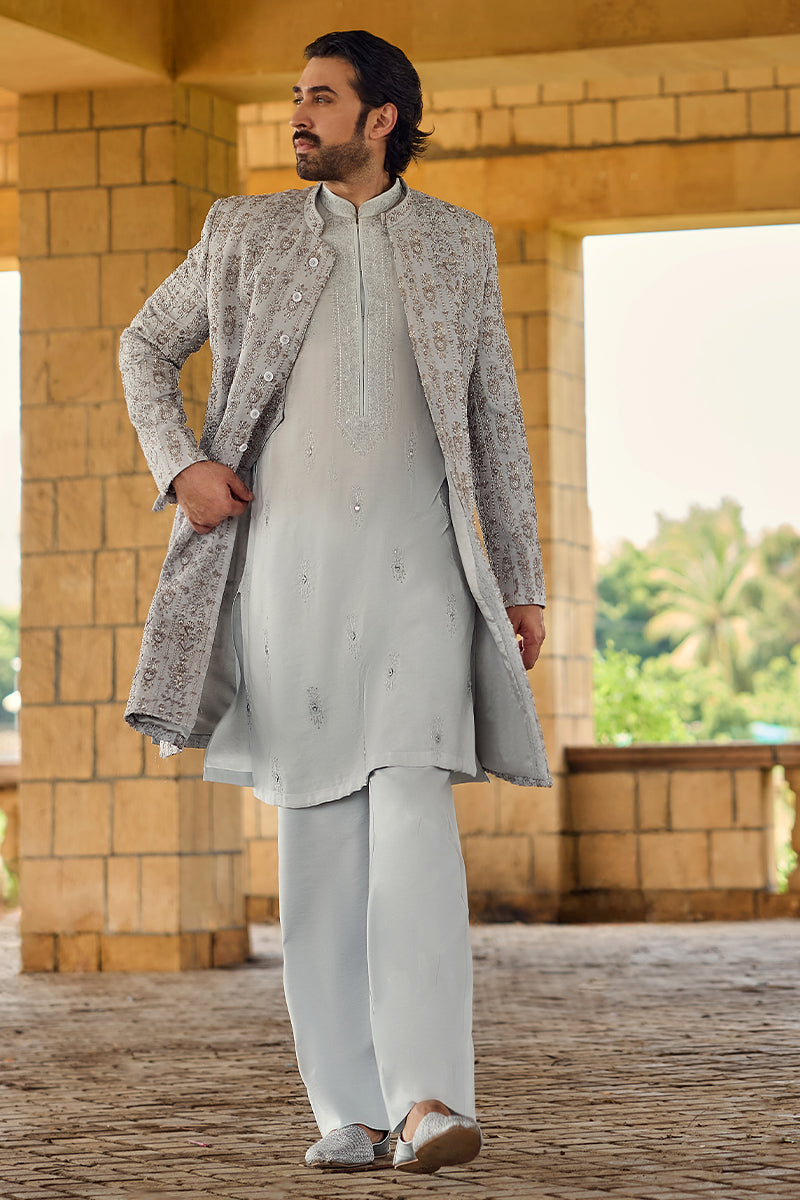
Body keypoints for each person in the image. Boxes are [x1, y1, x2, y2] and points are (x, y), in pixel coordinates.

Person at [119, 29, 550, 1175]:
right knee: (317, 835)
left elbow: (494, 418)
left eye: (320, 97)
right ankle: (347, 1111)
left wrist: (518, 580)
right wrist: (180, 462)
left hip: (421, 574)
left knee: (412, 811)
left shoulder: (457, 244)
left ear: (382, 117)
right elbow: (144, 344)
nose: (298, 114)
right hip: (286, 574)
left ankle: (428, 1102)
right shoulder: (242, 231)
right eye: (295, 95)